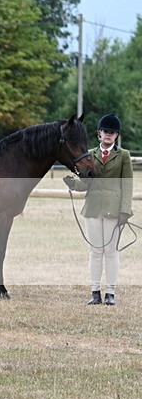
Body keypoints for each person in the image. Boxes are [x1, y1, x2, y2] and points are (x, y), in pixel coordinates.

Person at [63, 113, 134, 306]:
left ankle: (110, 292)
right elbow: (87, 184)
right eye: (105, 131)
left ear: (116, 135)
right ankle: (95, 291)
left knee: (111, 251)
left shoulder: (124, 156)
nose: (108, 135)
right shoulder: (90, 154)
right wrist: (73, 184)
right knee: (95, 251)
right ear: (99, 134)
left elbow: (127, 185)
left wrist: (125, 210)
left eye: (112, 132)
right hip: (93, 207)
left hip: (114, 208)